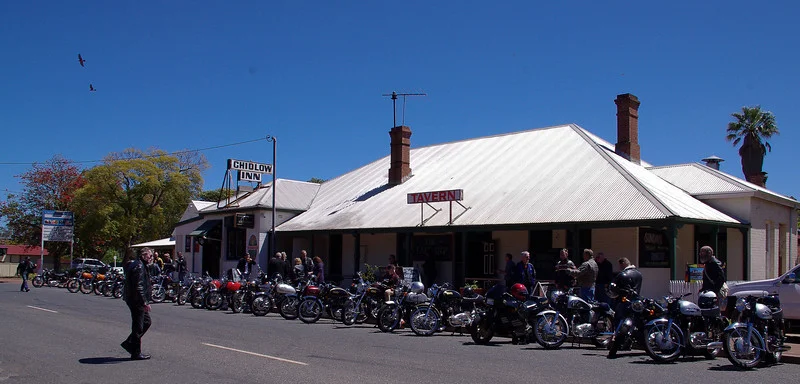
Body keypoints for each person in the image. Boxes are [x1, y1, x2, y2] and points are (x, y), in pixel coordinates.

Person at [121, 247, 153, 360]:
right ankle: (135, 352)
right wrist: (144, 302)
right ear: (144, 255)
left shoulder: (140, 265)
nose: (151, 258)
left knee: (146, 322)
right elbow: (138, 286)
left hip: (135, 299)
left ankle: (130, 343)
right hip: (136, 300)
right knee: (138, 326)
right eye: (150, 256)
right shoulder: (139, 266)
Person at [607, 257, 642, 359]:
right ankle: (628, 342)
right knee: (634, 322)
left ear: (622, 264)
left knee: (619, 322)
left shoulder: (623, 275)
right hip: (635, 302)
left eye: (620, 265)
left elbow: (614, 289)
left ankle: (617, 344)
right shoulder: (639, 274)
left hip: (624, 301)